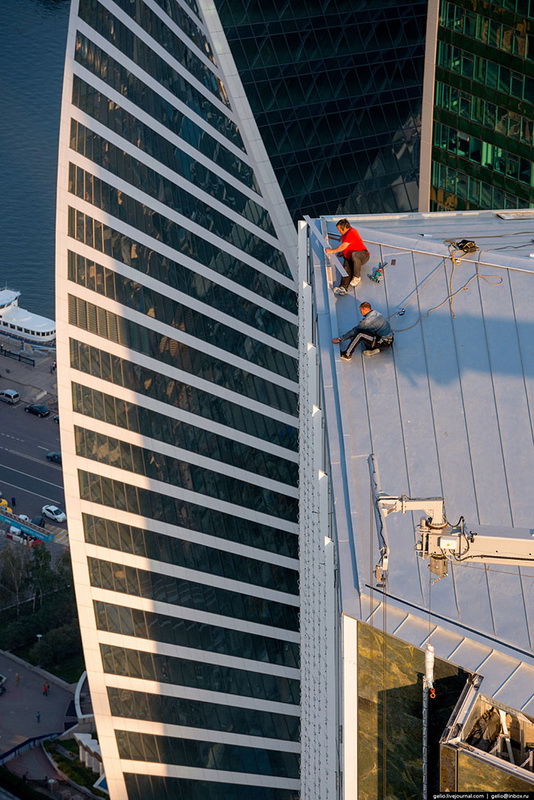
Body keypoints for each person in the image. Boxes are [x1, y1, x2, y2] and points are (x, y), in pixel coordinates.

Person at [325, 218, 370, 295]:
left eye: (339, 229)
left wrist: (332, 251)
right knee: (346, 270)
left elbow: (344, 245)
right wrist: (343, 253)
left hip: (363, 255)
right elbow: (349, 246)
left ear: (345, 228)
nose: (339, 231)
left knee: (354, 255)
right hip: (350, 256)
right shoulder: (344, 234)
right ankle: (343, 288)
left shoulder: (352, 232)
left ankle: (357, 277)